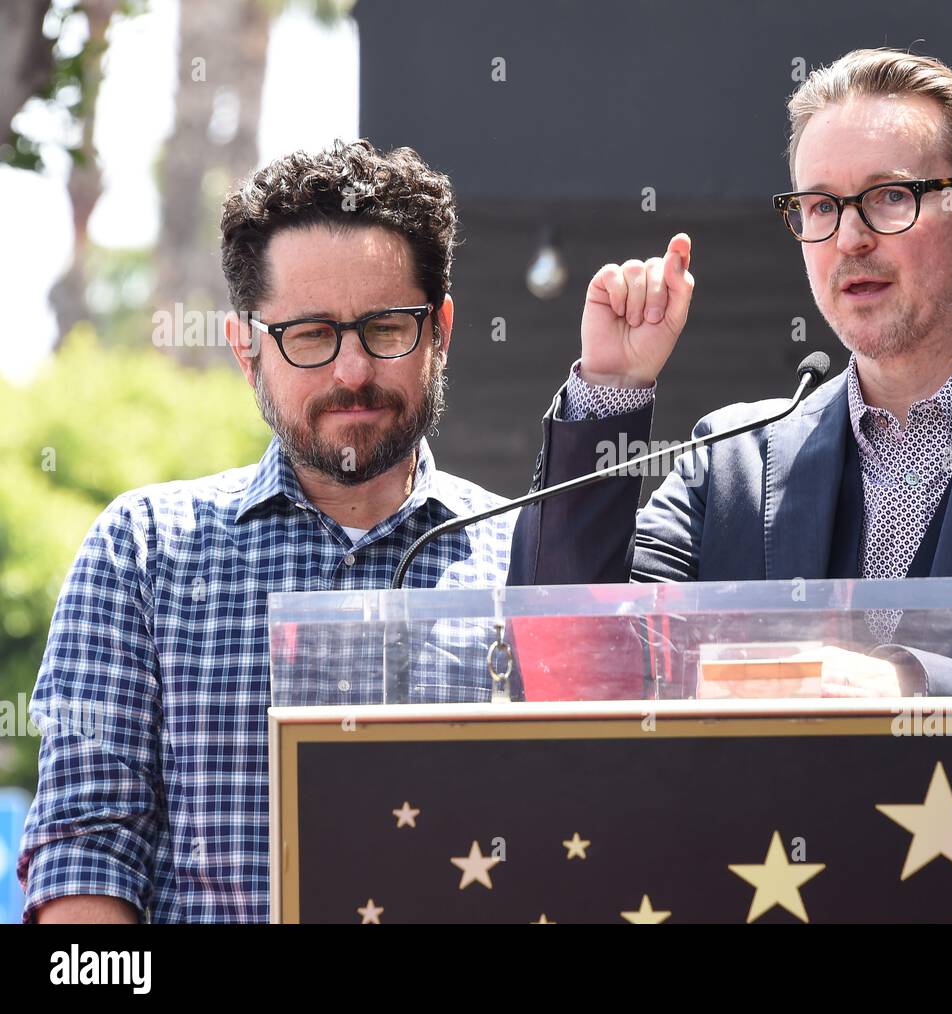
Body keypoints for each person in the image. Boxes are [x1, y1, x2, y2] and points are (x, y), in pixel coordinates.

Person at [18, 140, 640, 924]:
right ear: (246, 347)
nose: (351, 371)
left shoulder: (524, 560)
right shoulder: (143, 553)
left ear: (439, 331)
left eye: (385, 329)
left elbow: (586, 829)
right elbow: (85, 852)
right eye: (310, 334)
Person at [512, 47, 952, 696]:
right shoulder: (730, 462)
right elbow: (569, 663)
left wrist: (910, 688)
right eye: (820, 205)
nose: (850, 238)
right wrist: (610, 391)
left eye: (890, 197)